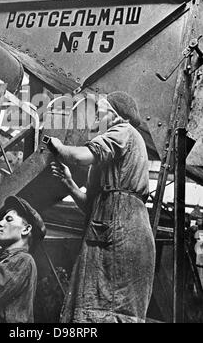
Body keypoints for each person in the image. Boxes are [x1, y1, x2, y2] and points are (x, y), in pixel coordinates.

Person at [50, 92, 156, 323]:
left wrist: (57, 145)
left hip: (122, 230)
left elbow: (80, 156)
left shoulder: (124, 131)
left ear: (116, 114)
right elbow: (91, 207)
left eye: (100, 111)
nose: (96, 116)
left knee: (109, 308)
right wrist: (69, 183)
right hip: (114, 227)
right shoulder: (113, 155)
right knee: (96, 305)